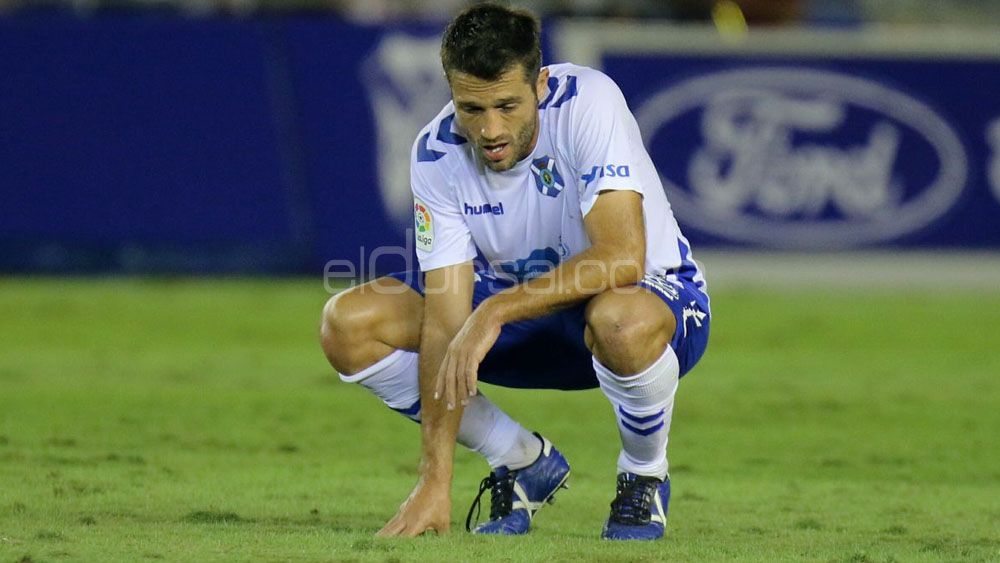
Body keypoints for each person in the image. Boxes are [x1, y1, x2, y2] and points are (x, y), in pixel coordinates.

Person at [320, 2, 710, 541]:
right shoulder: (435, 155)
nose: (490, 129)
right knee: (349, 323)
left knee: (620, 320)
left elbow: (622, 255)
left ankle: (643, 474)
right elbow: (444, 321)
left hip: (649, 309)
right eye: (471, 109)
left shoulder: (589, 103)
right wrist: (436, 481)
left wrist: (495, 311)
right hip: (526, 319)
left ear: (541, 85)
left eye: (507, 105)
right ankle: (522, 459)